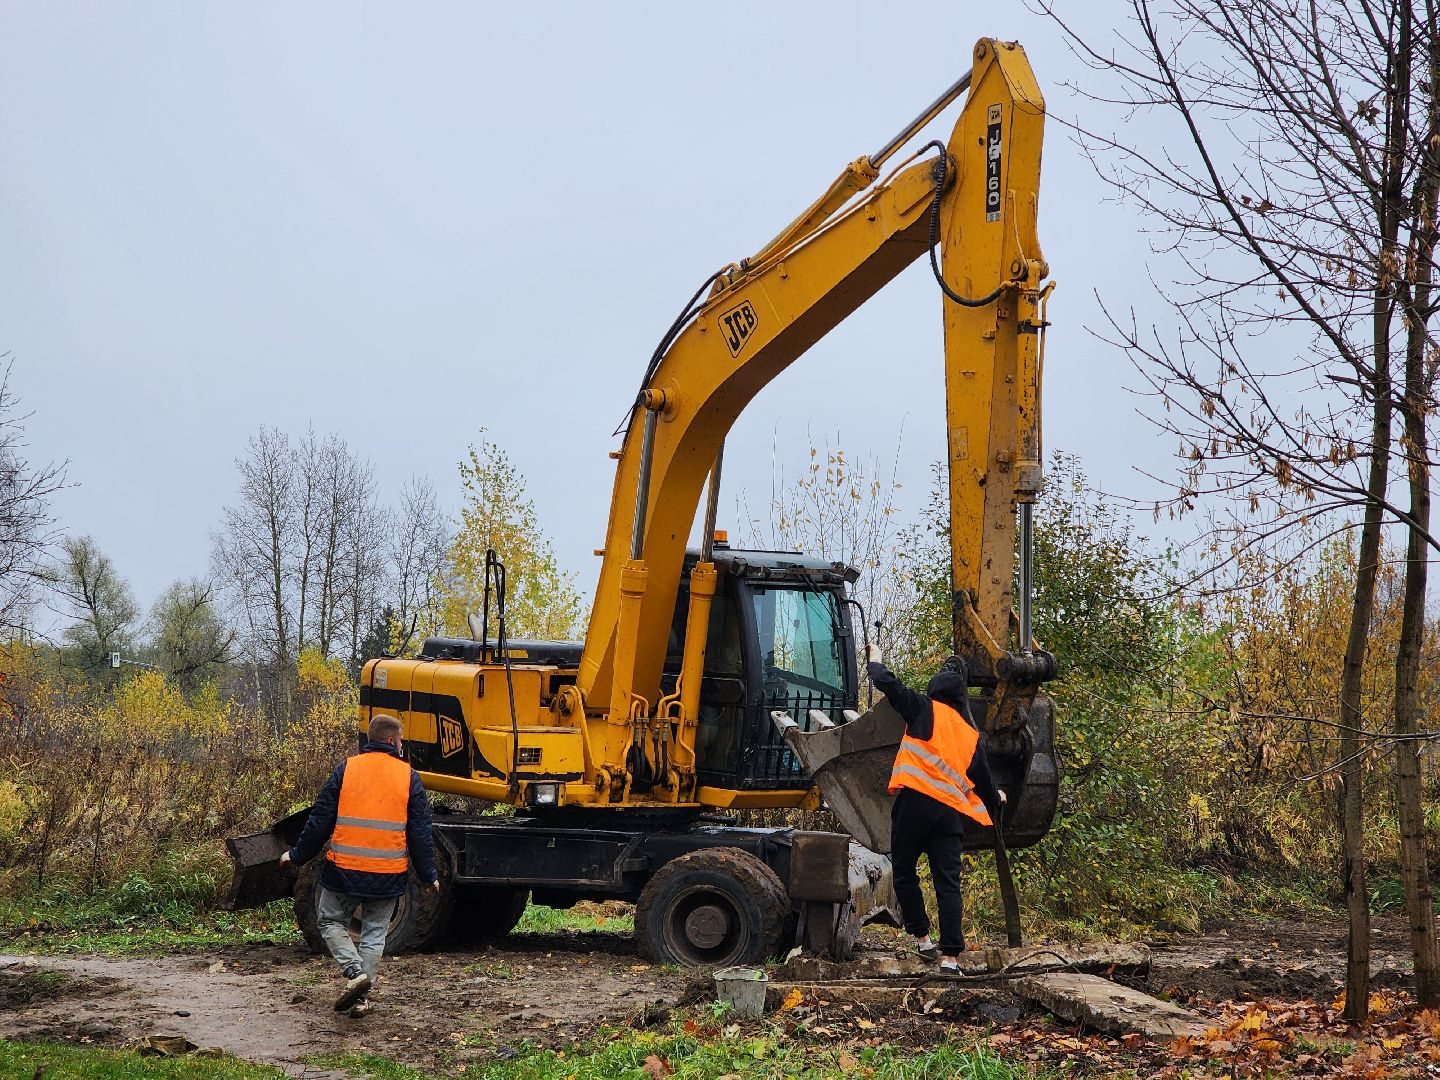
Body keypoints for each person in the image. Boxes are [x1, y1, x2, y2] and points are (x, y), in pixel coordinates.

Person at [280, 713, 439, 1017]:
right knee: (375, 932)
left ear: (372, 739)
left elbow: (320, 820)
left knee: (329, 920)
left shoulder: (346, 770)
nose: (402, 744)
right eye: (401, 739)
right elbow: (420, 832)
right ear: (393, 741)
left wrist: (297, 855)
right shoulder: (409, 777)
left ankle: (355, 975)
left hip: (345, 870)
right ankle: (362, 998)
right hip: (389, 874)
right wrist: (428, 873)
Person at [866, 644, 1006, 972]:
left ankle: (923, 940)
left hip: (914, 806)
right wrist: (996, 797)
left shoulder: (923, 708)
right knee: (948, 883)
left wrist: (875, 661)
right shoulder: (971, 736)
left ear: (934, 690)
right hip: (948, 817)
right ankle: (951, 959)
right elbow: (985, 783)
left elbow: (890, 685)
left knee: (903, 872)